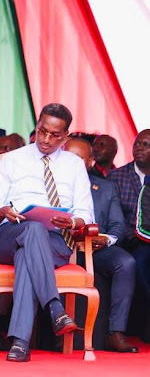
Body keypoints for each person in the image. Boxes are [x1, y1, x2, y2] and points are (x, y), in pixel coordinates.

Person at [0, 103, 93, 362]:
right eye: (42, 131)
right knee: (31, 229)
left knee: (29, 251)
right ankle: (54, 306)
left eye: (54, 135)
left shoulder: (75, 165)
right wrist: (3, 212)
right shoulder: (12, 159)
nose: (45, 139)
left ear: (65, 136)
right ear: (37, 127)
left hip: (55, 240)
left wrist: (74, 222)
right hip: (9, 235)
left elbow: (86, 214)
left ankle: (20, 342)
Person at [63, 138, 138, 353]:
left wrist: (105, 240)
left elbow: (118, 226)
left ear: (89, 162)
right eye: (67, 156)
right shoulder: (49, 185)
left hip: (96, 250)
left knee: (126, 262)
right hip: (59, 249)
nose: (71, 162)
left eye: (78, 158)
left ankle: (115, 333)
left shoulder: (105, 187)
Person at [108, 130, 150, 301]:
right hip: (127, 241)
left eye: (146, 145)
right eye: (137, 144)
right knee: (139, 261)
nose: (139, 148)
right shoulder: (116, 177)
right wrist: (135, 239)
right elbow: (115, 217)